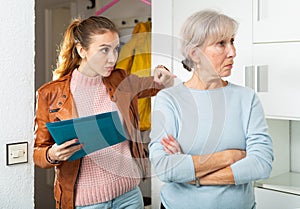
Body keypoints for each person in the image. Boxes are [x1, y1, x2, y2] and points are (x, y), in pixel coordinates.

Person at [33, 16, 173, 209]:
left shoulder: (119, 78)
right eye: (104, 50)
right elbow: (38, 152)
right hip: (86, 203)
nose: (113, 58)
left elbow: (156, 85)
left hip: (129, 195)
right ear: (82, 50)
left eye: (116, 49)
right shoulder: (50, 94)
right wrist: (53, 154)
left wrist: (162, 72)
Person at [149, 10, 274, 209]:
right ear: (195, 53)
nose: (232, 52)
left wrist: (193, 174)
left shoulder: (247, 98)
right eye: (221, 44)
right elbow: (165, 169)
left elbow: (261, 164)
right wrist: (230, 156)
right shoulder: (169, 99)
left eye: (232, 41)